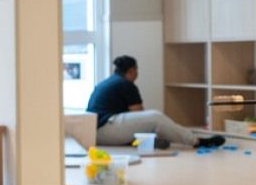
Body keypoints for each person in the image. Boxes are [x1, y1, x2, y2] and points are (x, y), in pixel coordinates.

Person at [87, 54, 225, 149]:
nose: (137, 73)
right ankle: (196, 141)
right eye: (136, 70)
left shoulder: (109, 82)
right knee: (155, 117)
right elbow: (138, 113)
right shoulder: (125, 84)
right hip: (106, 129)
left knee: (152, 123)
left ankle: (143, 141)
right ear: (131, 70)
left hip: (96, 133)